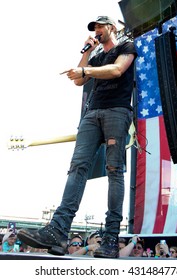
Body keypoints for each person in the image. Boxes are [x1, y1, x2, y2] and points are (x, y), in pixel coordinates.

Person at [17, 15, 137, 259]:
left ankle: (111, 238)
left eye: (100, 27)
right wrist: (86, 54)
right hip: (92, 114)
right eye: (94, 29)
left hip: (117, 111)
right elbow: (80, 80)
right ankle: (59, 232)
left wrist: (85, 68)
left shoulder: (126, 46)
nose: (97, 31)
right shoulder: (96, 56)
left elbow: (117, 70)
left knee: (114, 170)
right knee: (77, 167)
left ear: (111, 27)